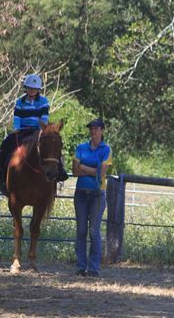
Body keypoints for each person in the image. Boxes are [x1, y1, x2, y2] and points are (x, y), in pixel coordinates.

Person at [0, 74, 68, 192]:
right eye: (30, 88)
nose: (32, 91)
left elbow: (44, 117)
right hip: (23, 130)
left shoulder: (43, 101)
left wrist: (43, 128)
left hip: (38, 129)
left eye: (34, 89)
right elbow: (17, 116)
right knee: (5, 144)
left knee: (53, 145)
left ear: (38, 90)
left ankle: (60, 172)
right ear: (26, 88)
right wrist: (17, 127)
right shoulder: (20, 101)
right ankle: (2, 176)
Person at [72, 118, 112, 277]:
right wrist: (93, 170)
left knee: (94, 231)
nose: (93, 131)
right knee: (81, 231)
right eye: (91, 128)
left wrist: (82, 166)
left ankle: (94, 267)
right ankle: (81, 266)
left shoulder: (106, 149)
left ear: (102, 130)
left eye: (96, 128)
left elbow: (101, 173)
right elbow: (74, 171)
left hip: (97, 194)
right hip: (81, 193)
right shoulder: (81, 147)